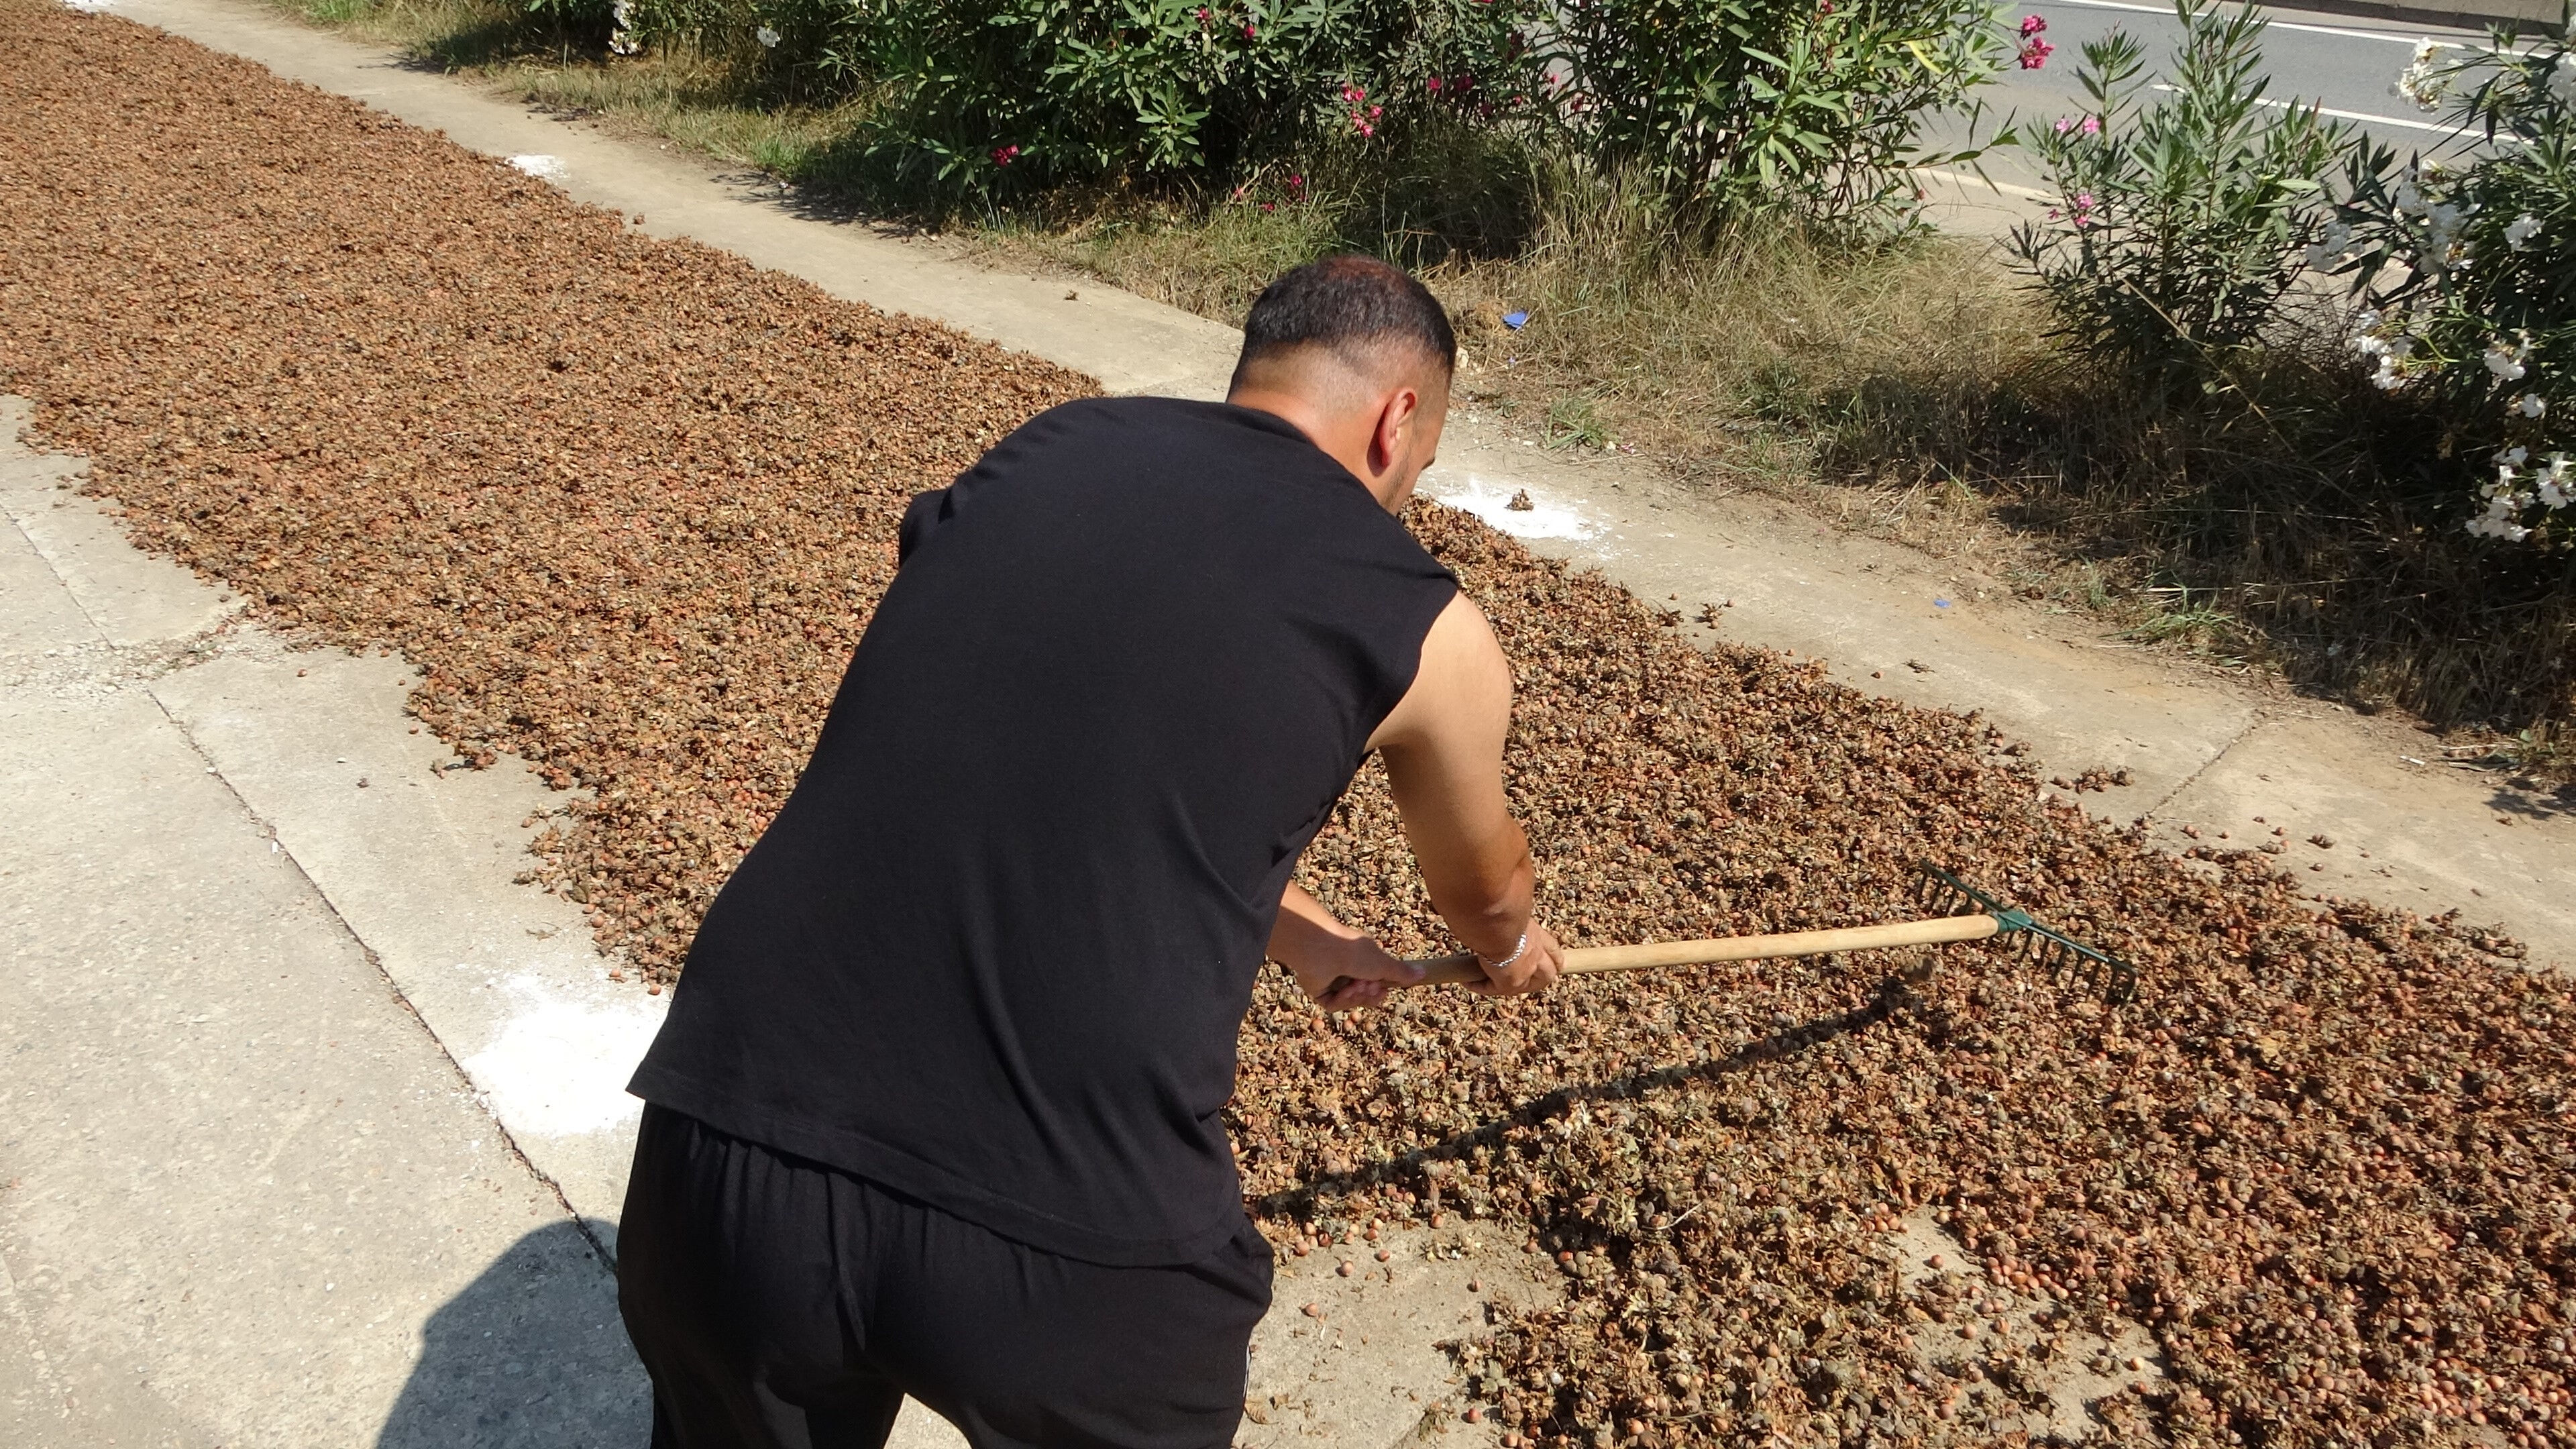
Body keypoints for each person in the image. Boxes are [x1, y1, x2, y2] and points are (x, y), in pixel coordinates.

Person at [616, 254, 1564, 1449]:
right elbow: (1483, 896)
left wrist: (1302, 929)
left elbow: (1055, 744)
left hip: (732, 1155)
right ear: (1398, 421)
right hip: (1074, 1240)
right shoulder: (1427, 624)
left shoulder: (1046, 453)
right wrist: (1515, 945)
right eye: (1421, 469)